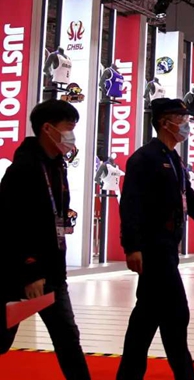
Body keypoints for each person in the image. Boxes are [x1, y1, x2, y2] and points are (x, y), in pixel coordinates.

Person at [117, 98, 194, 380]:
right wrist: (132, 247)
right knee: (175, 315)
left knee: (148, 317)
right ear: (164, 122)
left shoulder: (174, 160)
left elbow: (189, 199)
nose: (185, 125)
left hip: (168, 248)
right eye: (180, 119)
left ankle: (131, 375)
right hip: (153, 248)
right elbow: (129, 205)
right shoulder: (144, 159)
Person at [0, 100, 91, 379]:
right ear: (48, 129)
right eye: (68, 127)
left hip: (53, 272)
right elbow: (11, 224)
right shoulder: (22, 169)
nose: (71, 135)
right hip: (20, 274)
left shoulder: (58, 166)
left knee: (68, 339)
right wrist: (30, 271)